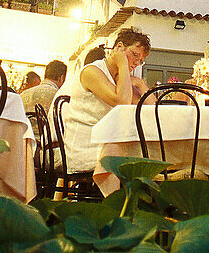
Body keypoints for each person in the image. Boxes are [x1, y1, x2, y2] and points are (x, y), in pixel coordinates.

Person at [62, 27, 151, 173]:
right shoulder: (92, 71)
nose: (136, 62)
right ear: (119, 47)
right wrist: (122, 63)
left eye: (140, 60)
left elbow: (151, 109)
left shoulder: (121, 79)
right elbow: (121, 103)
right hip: (87, 147)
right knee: (142, 155)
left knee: (151, 151)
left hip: (108, 143)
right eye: (134, 55)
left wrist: (141, 84)